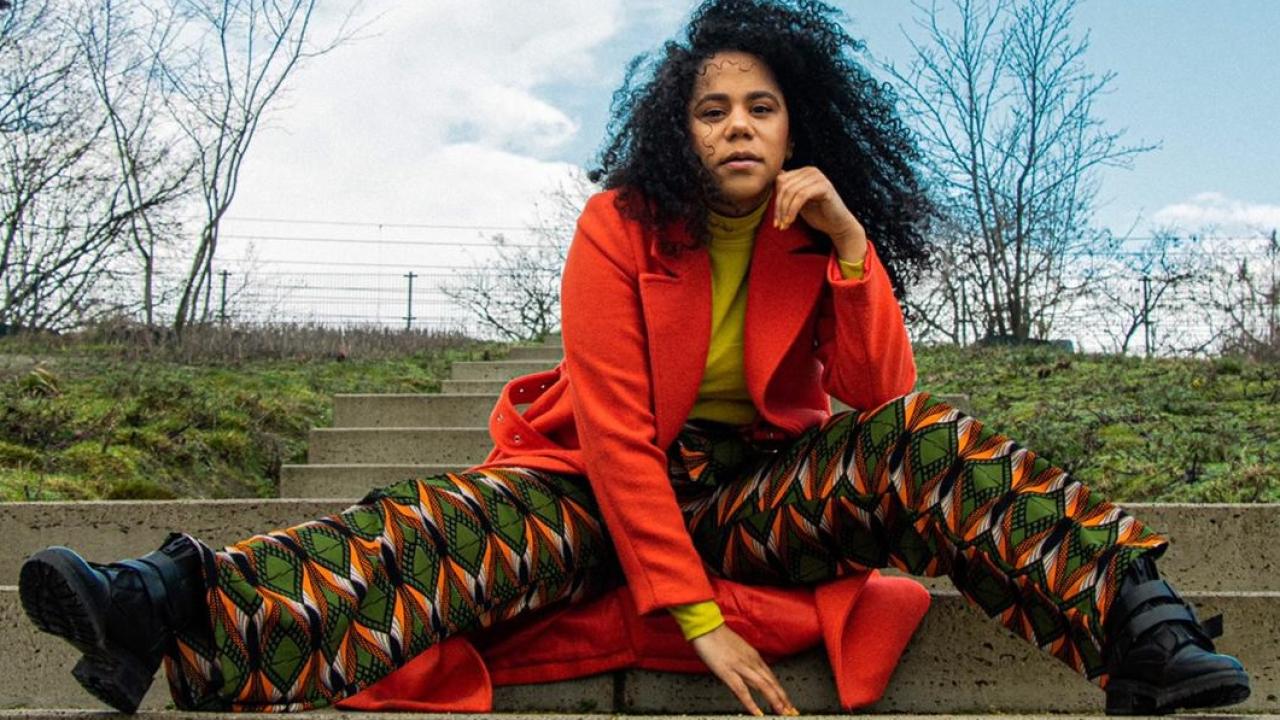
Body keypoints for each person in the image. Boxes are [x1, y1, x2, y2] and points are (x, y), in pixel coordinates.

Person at [19, 0, 1250, 716]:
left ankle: (1139, 632)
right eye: (712, 110)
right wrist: (697, 618)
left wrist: (849, 247)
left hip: (756, 496)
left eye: (758, 108)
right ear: (678, 128)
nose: (736, 128)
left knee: (933, 444)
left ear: (797, 121)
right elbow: (611, 434)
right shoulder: (617, 225)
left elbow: (883, 410)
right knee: (454, 525)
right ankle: (161, 603)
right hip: (593, 490)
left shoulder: (814, 235)